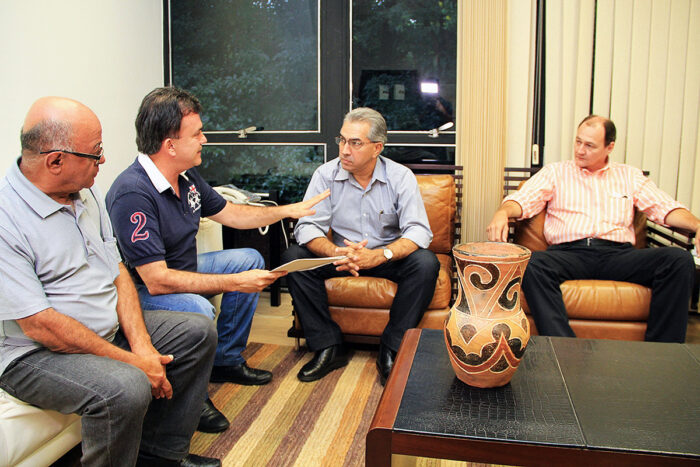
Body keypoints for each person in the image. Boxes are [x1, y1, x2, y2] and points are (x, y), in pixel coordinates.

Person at [0, 97, 220, 467]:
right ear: (55, 161)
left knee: (197, 331)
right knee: (127, 387)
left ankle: (159, 456)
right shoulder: (7, 219)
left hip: (103, 328)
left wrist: (143, 345)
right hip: (33, 355)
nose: (103, 161)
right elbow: (41, 325)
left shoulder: (85, 194)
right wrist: (133, 361)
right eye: (96, 152)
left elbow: (118, 271)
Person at [106, 87, 328, 432]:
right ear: (170, 145)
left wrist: (287, 211)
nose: (204, 139)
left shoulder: (185, 176)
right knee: (198, 309)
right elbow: (157, 280)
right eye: (197, 134)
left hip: (182, 271)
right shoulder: (132, 193)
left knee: (250, 259)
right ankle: (191, 394)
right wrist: (232, 283)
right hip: (143, 291)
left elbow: (233, 214)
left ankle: (225, 360)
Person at [487, 115, 700, 343]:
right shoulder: (556, 172)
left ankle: (662, 351)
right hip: (569, 253)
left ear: (610, 147)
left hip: (619, 255)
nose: (580, 150)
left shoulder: (629, 176)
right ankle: (565, 346)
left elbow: (665, 207)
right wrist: (503, 212)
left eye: (589, 145)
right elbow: (523, 199)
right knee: (531, 263)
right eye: (578, 142)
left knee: (678, 260)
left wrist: (697, 225)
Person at [282, 107, 439, 384]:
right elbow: (307, 227)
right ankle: (328, 347)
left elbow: (419, 231)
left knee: (426, 262)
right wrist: (335, 251)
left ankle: (391, 349)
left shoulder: (400, 177)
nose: (344, 150)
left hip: (385, 258)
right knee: (294, 256)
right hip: (342, 257)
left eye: (355, 143)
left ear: (377, 147)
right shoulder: (325, 174)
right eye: (342, 140)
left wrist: (380, 255)